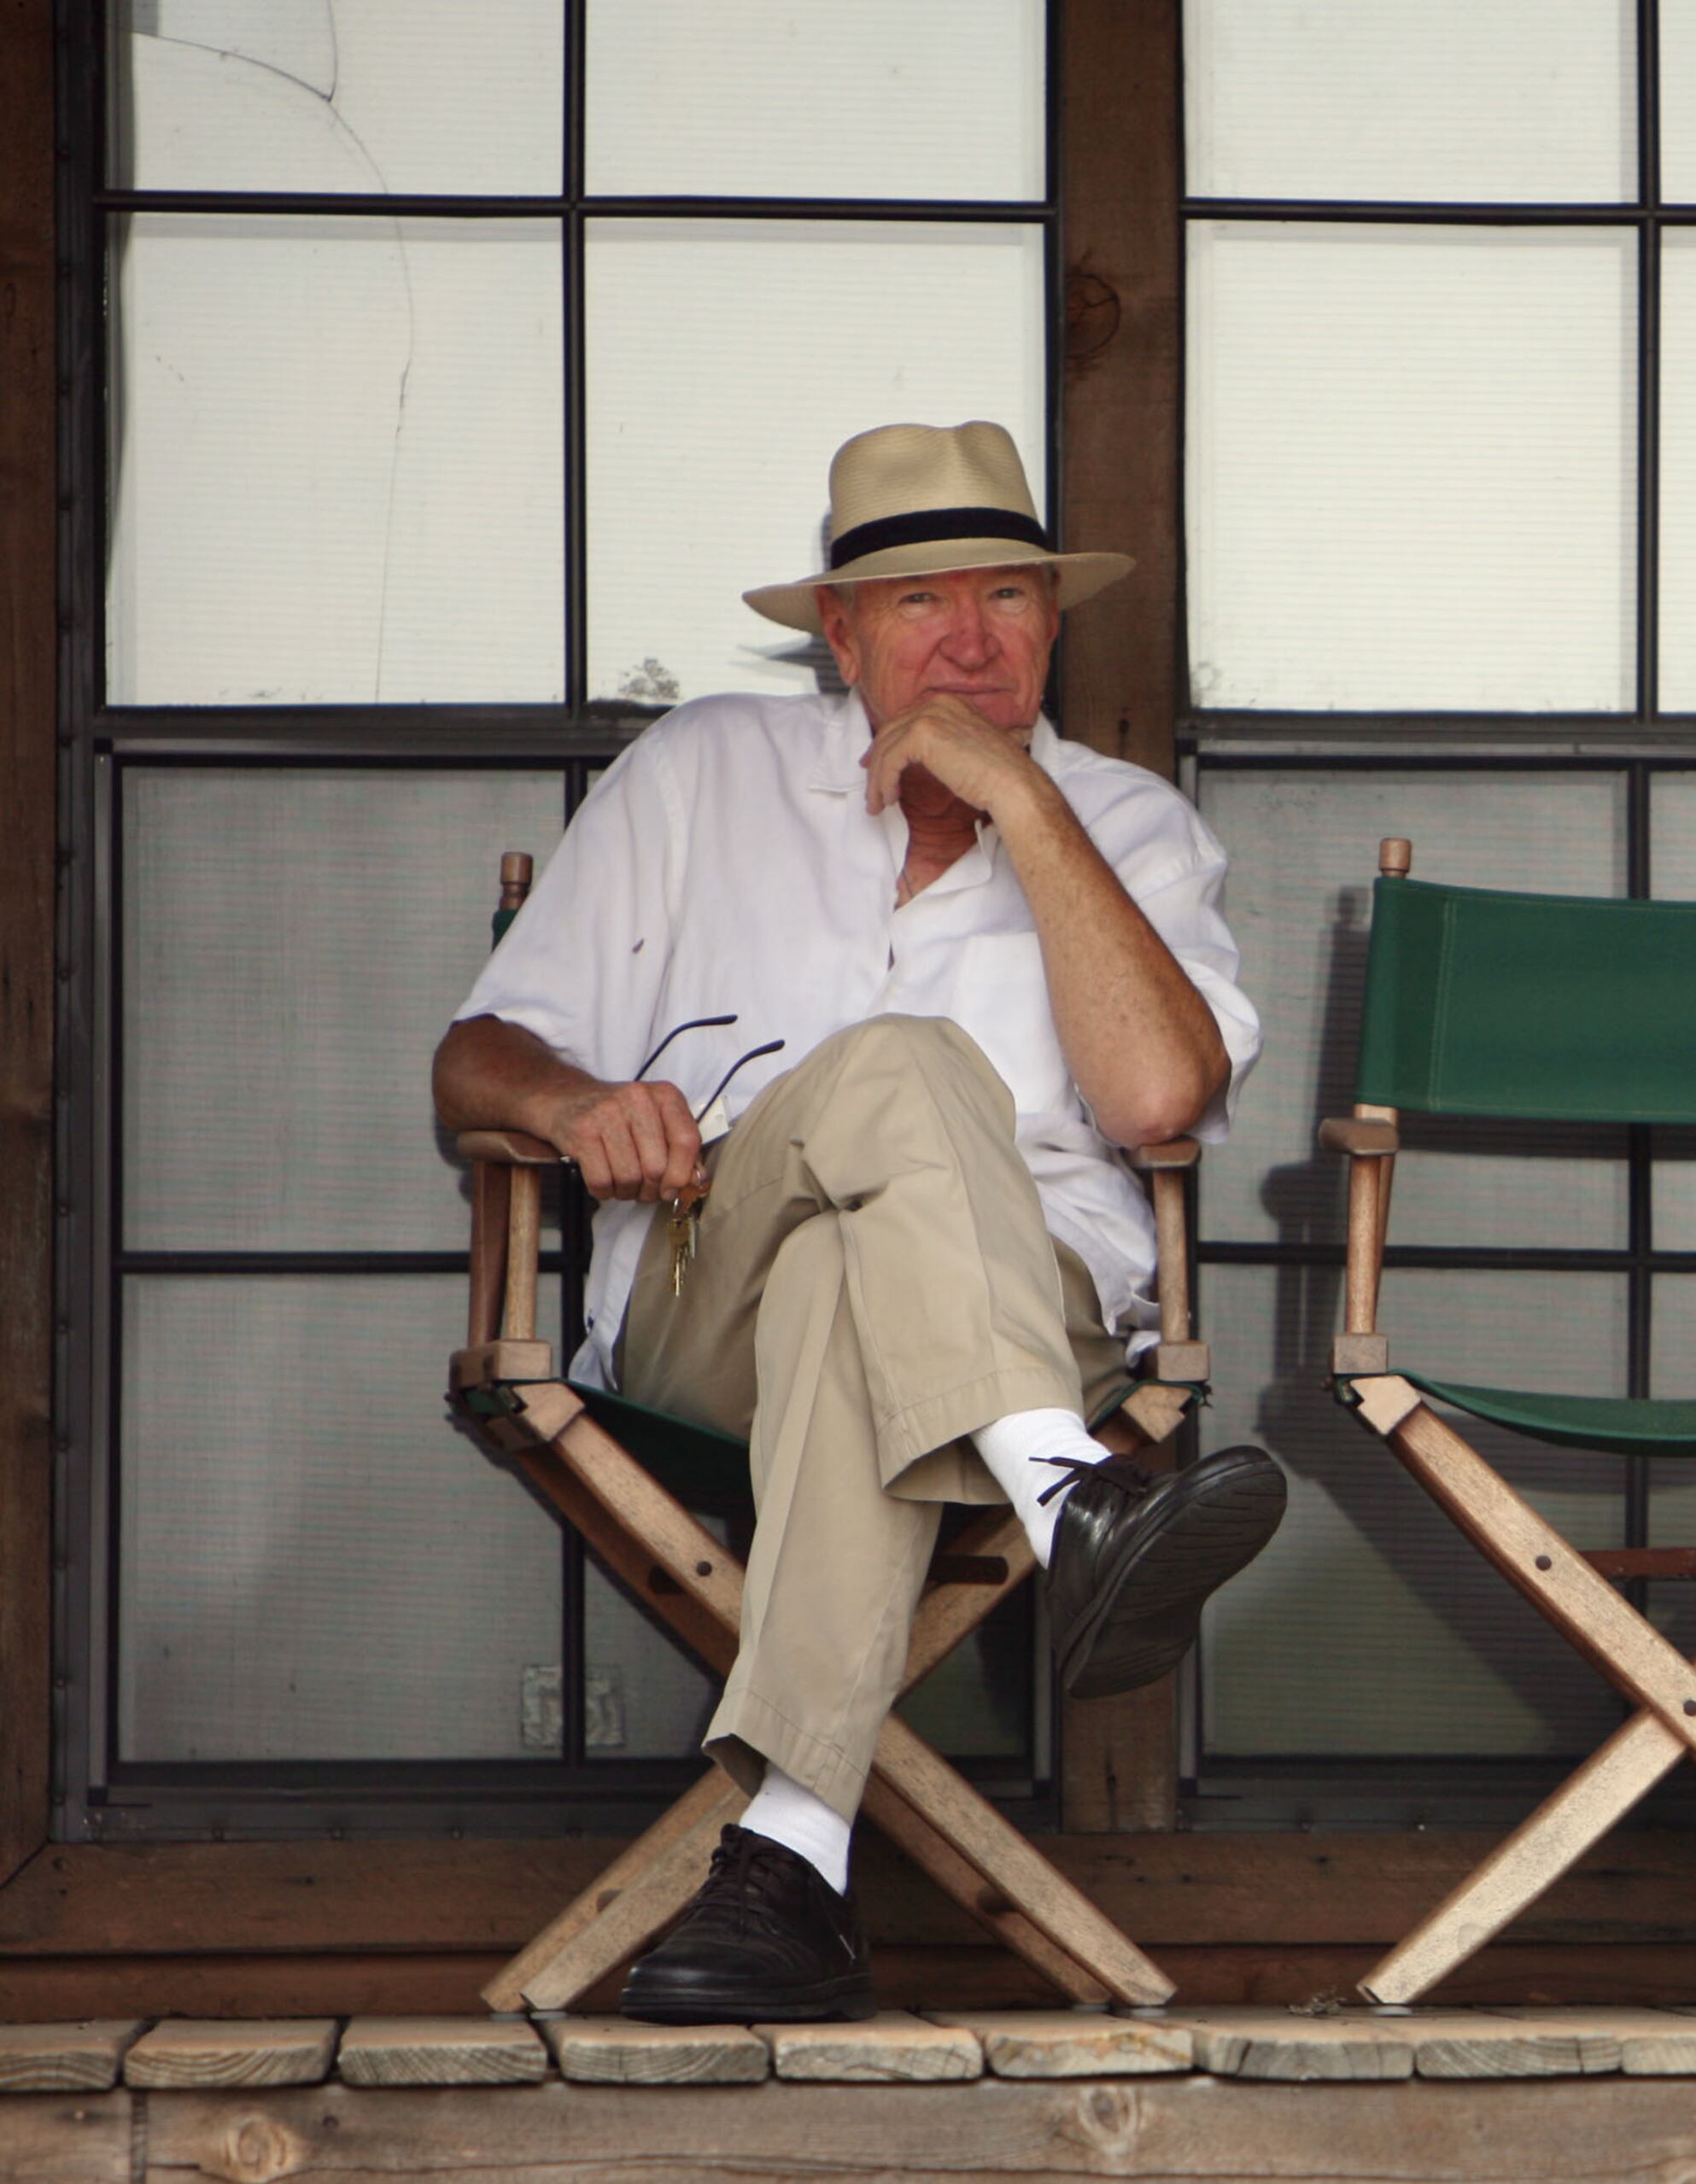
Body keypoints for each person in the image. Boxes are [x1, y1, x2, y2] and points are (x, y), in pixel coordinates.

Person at [432, 420, 1281, 2023]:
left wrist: (1027, 811)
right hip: (703, 1298)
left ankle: (790, 1865)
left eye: (1009, 600)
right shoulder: (706, 772)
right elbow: (474, 1052)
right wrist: (566, 1107)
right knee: (889, 1081)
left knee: (851, 1272)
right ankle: (1071, 1495)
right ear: (840, 634)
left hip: (1037, 1309)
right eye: (918, 604)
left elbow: (1159, 1100)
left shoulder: (1135, 826)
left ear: (1053, 620)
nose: (971, 638)